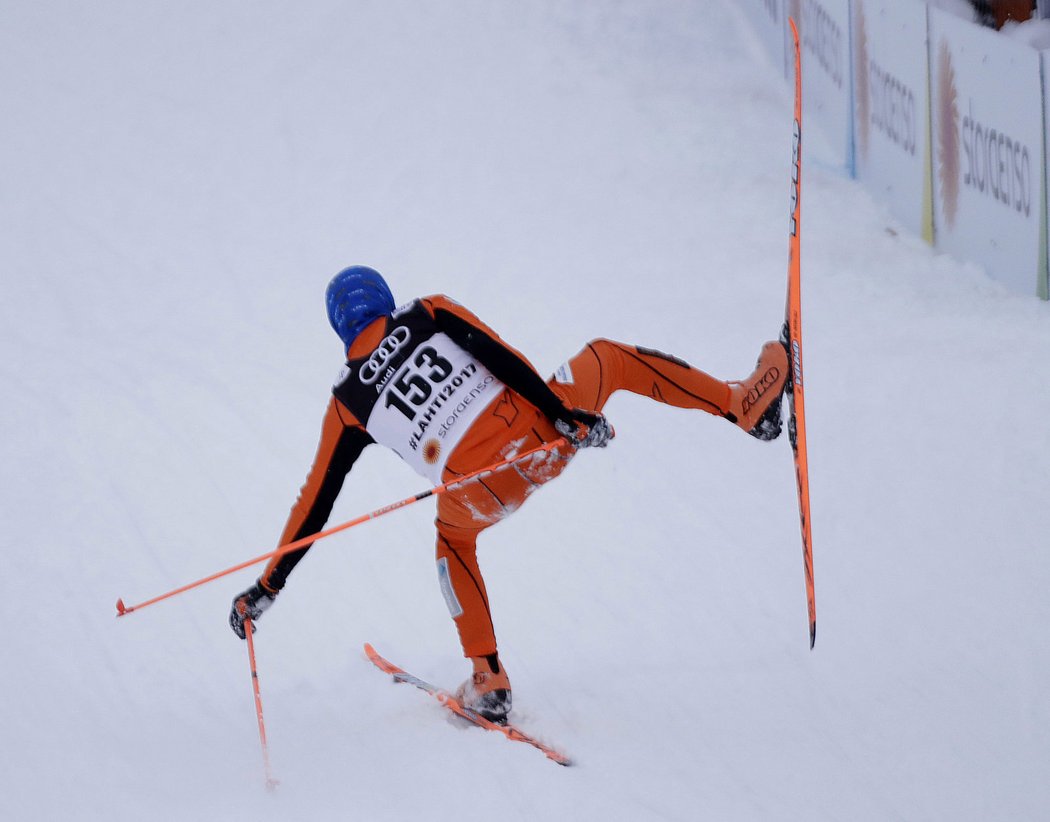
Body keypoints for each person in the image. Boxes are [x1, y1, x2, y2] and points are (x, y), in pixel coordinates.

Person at [230, 266, 788, 723]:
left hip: (477, 493)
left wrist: (267, 586)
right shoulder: (428, 311)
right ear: (385, 298)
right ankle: (743, 405)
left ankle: (488, 678)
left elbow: (315, 502)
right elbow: (500, 355)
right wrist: (564, 416)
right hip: (539, 438)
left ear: (339, 330)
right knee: (608, 358)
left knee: (452, 544)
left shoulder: (345, 403)